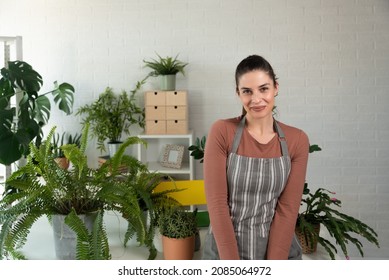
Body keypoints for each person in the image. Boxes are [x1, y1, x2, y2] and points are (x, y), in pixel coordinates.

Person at [202, 55, 309, 260]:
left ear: (276, 87)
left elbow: (287, 209)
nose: (256, 99)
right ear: (238, 94)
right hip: (223, 251)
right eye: (247, 91)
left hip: (277, 249)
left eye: (264, 88)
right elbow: (216, 203)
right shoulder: (222, 132)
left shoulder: (297, 140)